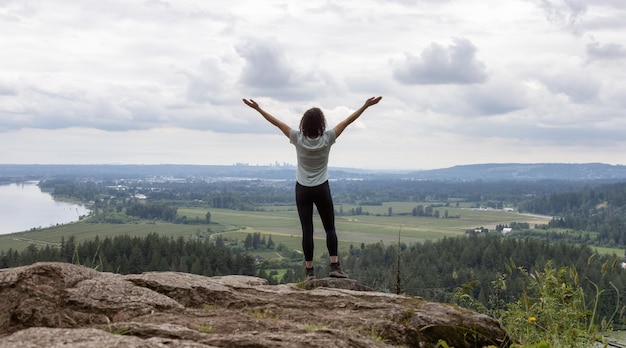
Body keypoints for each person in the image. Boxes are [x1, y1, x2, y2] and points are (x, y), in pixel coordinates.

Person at [243, 96, 382, 280]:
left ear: (304, 124)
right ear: (321, 124)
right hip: (322, 188)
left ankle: (309, 272)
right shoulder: (328, 138)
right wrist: (365, 106)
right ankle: (335, 266)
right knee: (329, 228)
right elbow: (347, 121)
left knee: (306, 230)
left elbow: (277, 123)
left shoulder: (297, 138)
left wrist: (259, 109)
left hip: (302, 190)